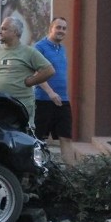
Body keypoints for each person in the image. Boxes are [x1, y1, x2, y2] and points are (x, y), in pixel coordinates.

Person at [0, 16, 54, 127]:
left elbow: (49, 70)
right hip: (0, 106)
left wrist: (30, 81)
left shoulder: (29, 52)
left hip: (21, 106)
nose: (0, 32)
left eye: (4, 29)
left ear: (15, 32)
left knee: (22, 138)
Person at [34, 17, 75, 166]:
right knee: (38, 139)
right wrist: (50, 92)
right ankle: (34, 174)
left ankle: (73, 175)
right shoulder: (40, 47)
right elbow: (36, 73)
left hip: (62, 100)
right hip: (43, 100)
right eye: (58, 27)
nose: (61, 31)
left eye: (64, 28)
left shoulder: (62, 49)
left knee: (66, 137)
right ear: (50, 28)